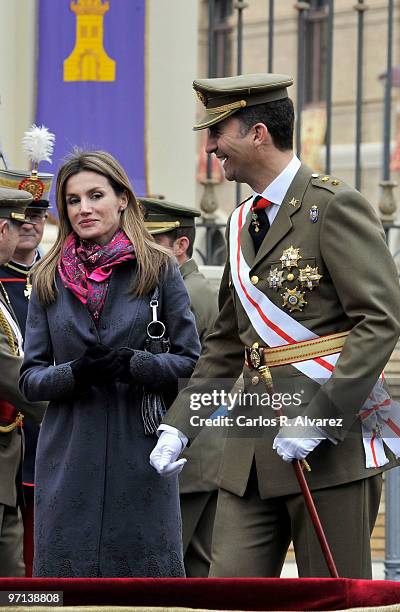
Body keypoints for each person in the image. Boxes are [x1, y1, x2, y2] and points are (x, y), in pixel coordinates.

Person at [149, 74, 400, 578]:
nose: (210, 147)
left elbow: (379, 320)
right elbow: (229, 342)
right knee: (228, 596)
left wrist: (322, 415)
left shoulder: (333, 206)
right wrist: (180, 424)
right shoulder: (239, 221)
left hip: (330, 448)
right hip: (249, 448)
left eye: (218, 132)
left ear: (257, 134)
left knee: (332, 599)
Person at [19, 150, 200, 578]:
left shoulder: (157, 268)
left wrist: (134, 363)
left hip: (140, 451)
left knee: (145, 591)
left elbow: (191, 359)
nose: (84, 209)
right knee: (67, 592)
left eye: (95, 195)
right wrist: (75, 373)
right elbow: (30, 379)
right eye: (73, 200)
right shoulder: (47, 276)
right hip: (69, 458)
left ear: (122, 198)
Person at [141, 197, 221, 576]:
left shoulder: (185, 294)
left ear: (181, 245)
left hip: (186, 449)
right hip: (203, 452)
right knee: (196, 568)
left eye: (152, 242)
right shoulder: (194, 287)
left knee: (168, 571)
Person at [0, 163, 52, 576]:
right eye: (21, 216)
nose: (29, 224)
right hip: (17, 425)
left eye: (36, 214)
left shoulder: (58, 276)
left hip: (39, 433)